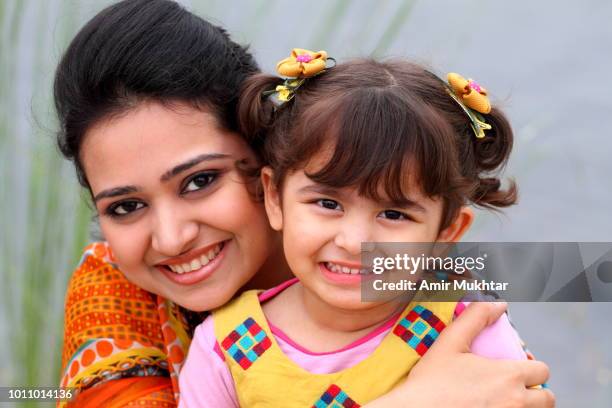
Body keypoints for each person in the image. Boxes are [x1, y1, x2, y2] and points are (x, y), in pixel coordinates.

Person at [53, 1, 553, 407]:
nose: (171, 237)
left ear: (263, 155)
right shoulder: (112, 293)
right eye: (124, 207)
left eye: (200, 180)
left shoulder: (423, 275)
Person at [179, 51, 548, 407]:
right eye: (327, 204)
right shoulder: (226, 347)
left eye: (393, 214)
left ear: (447, 232)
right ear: (275, 197)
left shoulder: (465, 324)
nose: (354, 242)